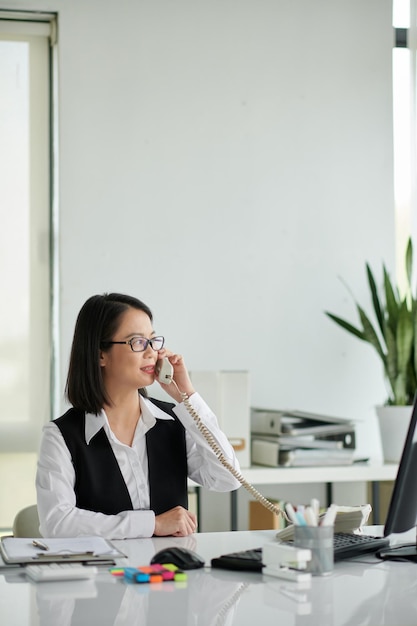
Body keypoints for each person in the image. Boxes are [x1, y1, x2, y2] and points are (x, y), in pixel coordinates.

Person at [36, 293, 241, 539]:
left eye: (153, 341)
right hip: (103, 574)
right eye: (137, 342)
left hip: (170, 572)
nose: (151, 352)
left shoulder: (174, 421)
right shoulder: (61, 435)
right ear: (100, 354)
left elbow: (228, 479)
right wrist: (151, 525)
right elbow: (57, 524)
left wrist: (187, 396)